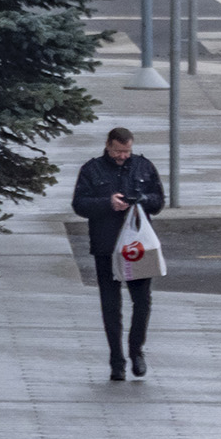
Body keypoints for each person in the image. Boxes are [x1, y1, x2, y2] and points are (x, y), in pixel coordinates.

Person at [70, 127, 165, 381]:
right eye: (118, 151)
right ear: (108, 145)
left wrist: (141, 199)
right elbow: (79, 204)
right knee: (111, 305)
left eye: (127, 151)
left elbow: (158, 201)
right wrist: (108, 203)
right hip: (107, 246)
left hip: (137, 247)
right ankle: (116, 360)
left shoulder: (143, 167)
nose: (122, 156)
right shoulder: (92, 169)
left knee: (142, 301)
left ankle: (136, 350)